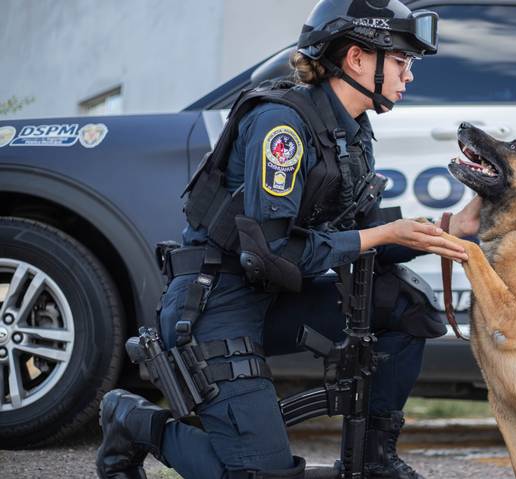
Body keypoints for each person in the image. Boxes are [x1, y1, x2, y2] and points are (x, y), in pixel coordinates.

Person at [96, 1, 481, 478]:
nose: (409, 75)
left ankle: (374, 461)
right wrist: (381, 233)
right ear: (357, 59)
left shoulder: (350, 130)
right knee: (262, 475)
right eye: (401, 61)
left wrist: (451, 228)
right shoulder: (282, 128)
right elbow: (272, 252)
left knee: (406, 304)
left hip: (277, 297)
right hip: (219, 303)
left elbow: (359, 235)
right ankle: (133, 420)